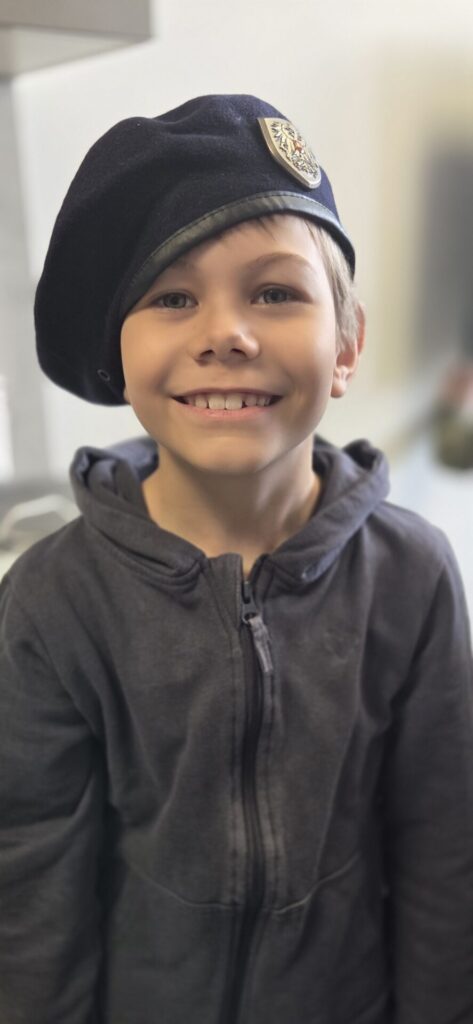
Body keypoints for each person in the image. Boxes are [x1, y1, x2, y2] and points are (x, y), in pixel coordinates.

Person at [0, 94, 472, 1024]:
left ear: (347, 345)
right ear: (118, 354)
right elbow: (31, 873)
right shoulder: (53, 599)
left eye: (274, 293)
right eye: (172, 297)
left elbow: (444, 847)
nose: (226, 333)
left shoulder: (412, 576)